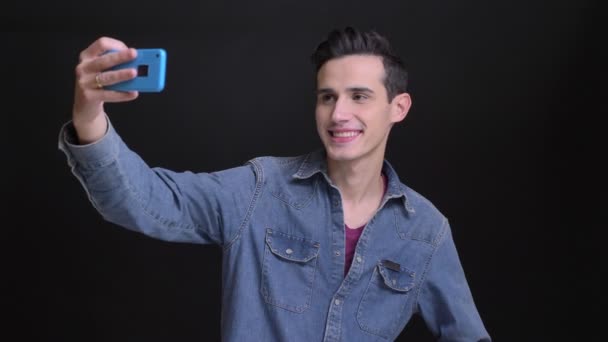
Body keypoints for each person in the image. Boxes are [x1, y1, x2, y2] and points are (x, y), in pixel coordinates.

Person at [59, 27, 491, 341]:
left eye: (359, 96)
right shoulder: (259, 189)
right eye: (327, 97)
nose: (339, 113)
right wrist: (88, 114)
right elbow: (142, 201)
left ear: (398, 107)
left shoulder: (426, 231)